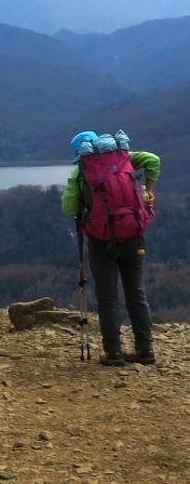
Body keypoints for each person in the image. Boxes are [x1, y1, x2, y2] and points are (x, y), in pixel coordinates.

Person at [61, 130, 161, 367]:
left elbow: (68, 208)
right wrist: (150, 189)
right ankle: (145, 349)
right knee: (136, 293)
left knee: (107, 298)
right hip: (133, 236)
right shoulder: (126, 158)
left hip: (101, 241)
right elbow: (154, 160)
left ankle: (113, 352)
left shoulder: (81, 172)